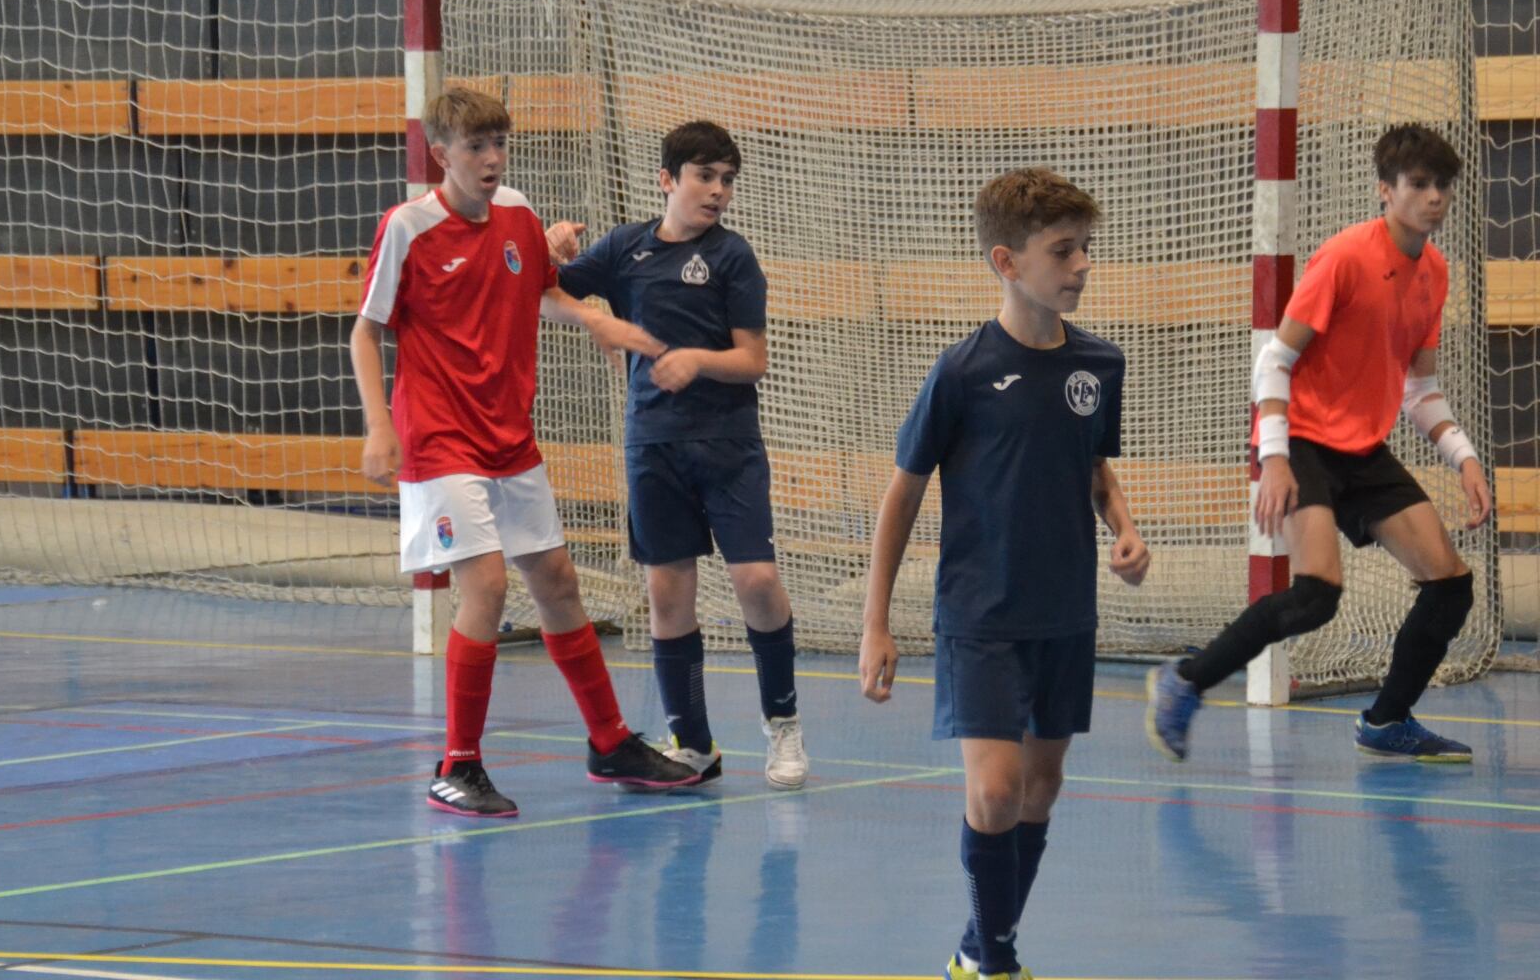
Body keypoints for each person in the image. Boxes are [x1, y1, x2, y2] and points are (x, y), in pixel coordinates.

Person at [351, 86, 700, 818]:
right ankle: (458, 764)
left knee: (559, 581)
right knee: (486, 588)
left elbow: (544, 291)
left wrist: (603, 324)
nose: (491, 158)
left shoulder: (517, 214)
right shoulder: (409, 228)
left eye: (499, 144)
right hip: (440, 439)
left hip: (508, 435)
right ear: (441, 154)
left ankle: (609, 742)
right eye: (475, 147)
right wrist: (378, 426)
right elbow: (367, 329)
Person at [858, 167, 1149, 980]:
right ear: (1006, 261)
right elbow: (901, 497)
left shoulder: (1100, 364)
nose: (1082, 266)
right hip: (980, 616)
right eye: (1063, 252)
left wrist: (1124, 529)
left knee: (1039, 790)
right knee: (994, 790)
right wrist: (877, 623)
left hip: (1066, 615)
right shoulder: (961, 374)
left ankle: (976, 944)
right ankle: (996, 961)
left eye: (1086, 249)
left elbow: (1095, 468)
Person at [1146, 123, 1492, 764]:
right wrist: (1274, 458)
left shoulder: (1435, 273)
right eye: (1419, 184)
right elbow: (1274, 361)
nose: (1435, 197)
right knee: (1316, 597)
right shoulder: (1344, 258)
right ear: (1385, 190)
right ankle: (1184, 682)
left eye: (1444, 185)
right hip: (1301, 440)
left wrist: (1464, 457)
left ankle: (1387, 722)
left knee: (1450, 584)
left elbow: (1420, 389)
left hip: (1361, 449)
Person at [547, 121, 808, 790]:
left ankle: (783, 726)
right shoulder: (625, 248)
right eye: (704, 176)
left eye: (727, 180)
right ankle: (692, 745)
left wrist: (695, 359)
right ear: (667, 179)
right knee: (668, 593)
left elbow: (753, 359)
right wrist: (551, 248)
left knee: (756, 581)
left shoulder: (732, 258)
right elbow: (546, 291)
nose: (718, 191)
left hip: (728, 448)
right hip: (652, 447)